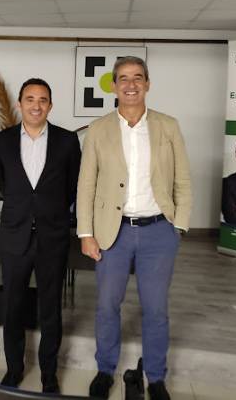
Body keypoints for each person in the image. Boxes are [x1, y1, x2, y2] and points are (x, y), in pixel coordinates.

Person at [76, 56, 192, 400]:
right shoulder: (98, 129)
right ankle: (104, 370)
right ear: (114, 85)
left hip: (158, 231)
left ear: (147, 84)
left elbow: (183, 180)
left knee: (156, 310)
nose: (130, 84)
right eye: (123, 78)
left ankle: (155, 377)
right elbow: (86, 184)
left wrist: (178, 227)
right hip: (113, 232)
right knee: (107, 306)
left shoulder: (168, 126)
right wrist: (86, 233)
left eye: (137, 78)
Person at [0, 78, 81, 393]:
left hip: (51, 236)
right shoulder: (2, 141)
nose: (36, 105)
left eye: (43, 100)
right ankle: (14, 369)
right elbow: (4, 182)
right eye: (30, 99)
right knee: (12, 306)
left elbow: (71, 186)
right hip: (15, 235)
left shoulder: (67, 141)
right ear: (20, 104)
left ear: (50, 105)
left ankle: (48, 373)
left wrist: (46, 209)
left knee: (50, 307)